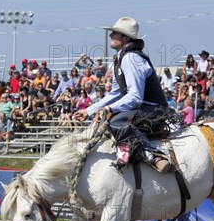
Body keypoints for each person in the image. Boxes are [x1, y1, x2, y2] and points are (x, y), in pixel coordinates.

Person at [73, 17, 172, 172]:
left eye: (115, 33)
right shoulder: (119, 60)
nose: (111, 35)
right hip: (143, 107)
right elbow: (116, 94)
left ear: (126, 38)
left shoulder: (131, 58)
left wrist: (109, 109)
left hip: (155, 109)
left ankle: (153, 156)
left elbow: (135, 97)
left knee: (116, 121)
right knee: (111, 119)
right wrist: (89, 110)